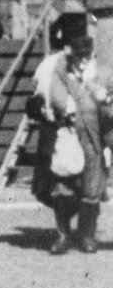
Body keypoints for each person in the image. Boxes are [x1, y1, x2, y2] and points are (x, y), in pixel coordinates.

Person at [28, 26, 109, 254]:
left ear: (92, 55)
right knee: (62, 189)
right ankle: (63, 235)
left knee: (91, 189)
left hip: (93, 141)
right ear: (71, 55)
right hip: (67, 138)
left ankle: (86, 236)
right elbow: (48, 98)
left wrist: (102, 97)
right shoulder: (59, 74)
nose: (83, 59)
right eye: (78, 55)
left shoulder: (101, 76)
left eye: (87, 55)